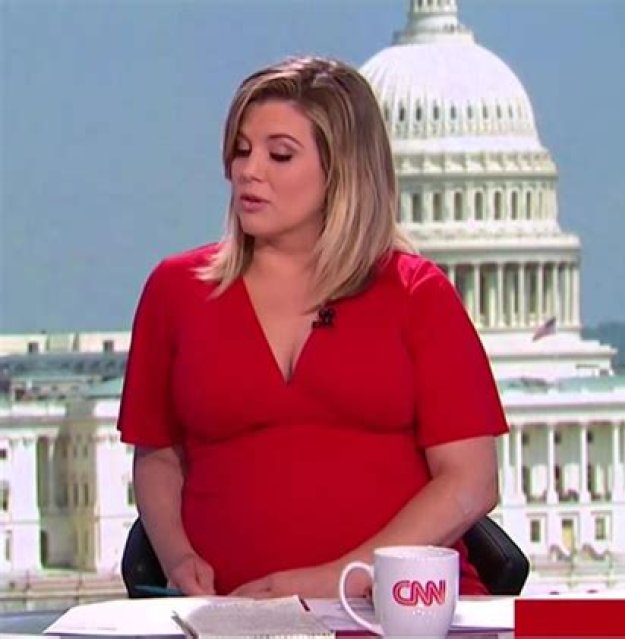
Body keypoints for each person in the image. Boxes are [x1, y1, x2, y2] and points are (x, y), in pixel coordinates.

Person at [118, 55, 509, 599]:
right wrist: (179, 560)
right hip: (232, 613)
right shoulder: (176, 290)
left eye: (279, 155)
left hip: (398, 610)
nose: (248, 171)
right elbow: (158, 457)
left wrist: (339, 579)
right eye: (241, 150)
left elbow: (471, 481)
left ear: (342, 169)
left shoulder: (417, 295)